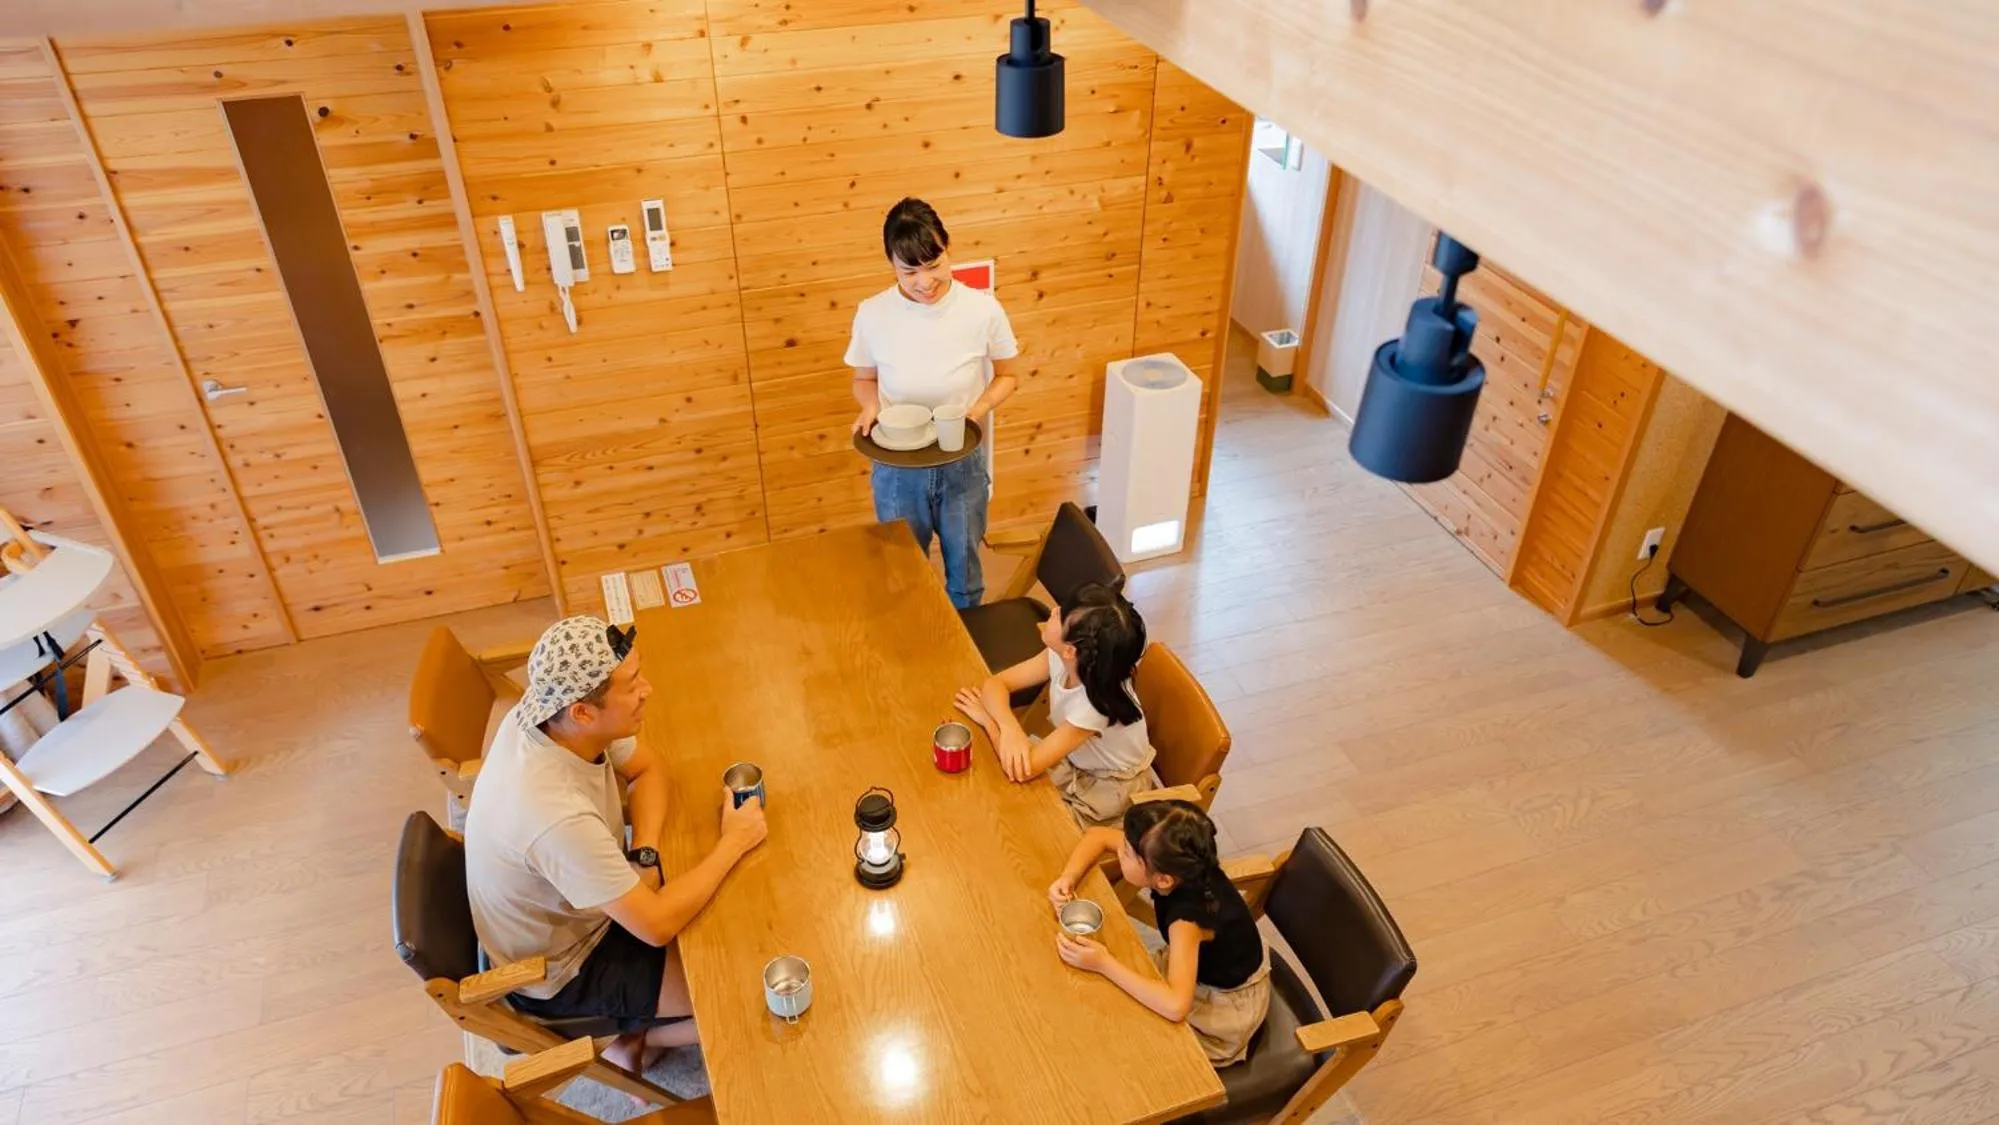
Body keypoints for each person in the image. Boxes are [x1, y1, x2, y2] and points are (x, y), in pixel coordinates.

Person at [464, 616, 767, 1075]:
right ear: (583, 711)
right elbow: (657, 924)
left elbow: (649, 770)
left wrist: (644, 853)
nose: (647, 689)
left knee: (729, 918)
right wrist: (734, 841)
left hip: (579, 908)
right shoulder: (554, 813)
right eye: (632, 684)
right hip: (565, 966)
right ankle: (630, 1044)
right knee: (742, 985)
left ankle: (633, 1036)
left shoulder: (551, 715)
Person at [847, 197, 1020, 609]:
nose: (925, 281)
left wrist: (975, 412)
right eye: (910, 271)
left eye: (934, 264)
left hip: (961, 462)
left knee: (966, 574)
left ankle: (969, 657)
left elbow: (1009, 374)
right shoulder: (872, 314)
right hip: (897, 467)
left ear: (948, 247)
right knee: (903, 575)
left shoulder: (981, 309)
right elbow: (863, 379)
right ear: (891, 264)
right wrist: (869, 406)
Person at [1048, 799, 1272, 1066]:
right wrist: (1067, 877)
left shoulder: (1187, 922)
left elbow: (1176, 1006)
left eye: (1128, 854)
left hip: (1224, 1005)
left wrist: (1103, 963)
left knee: (1116, 1032)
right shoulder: (1184, 866)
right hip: (1198, 969)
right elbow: (1097, 836)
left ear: (1164, 880)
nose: (1120, 852)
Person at [952, 582, 1157, 826]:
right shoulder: (1072, 659)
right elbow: (995, 684)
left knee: (1015, 819)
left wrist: (989, 720)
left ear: (1071, 651)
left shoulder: (1093, 708)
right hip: (1078, 761)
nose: (1053, 610)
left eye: (1061, 615)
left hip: (1107, 788)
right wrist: (1010, 728)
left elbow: (1024, 769)